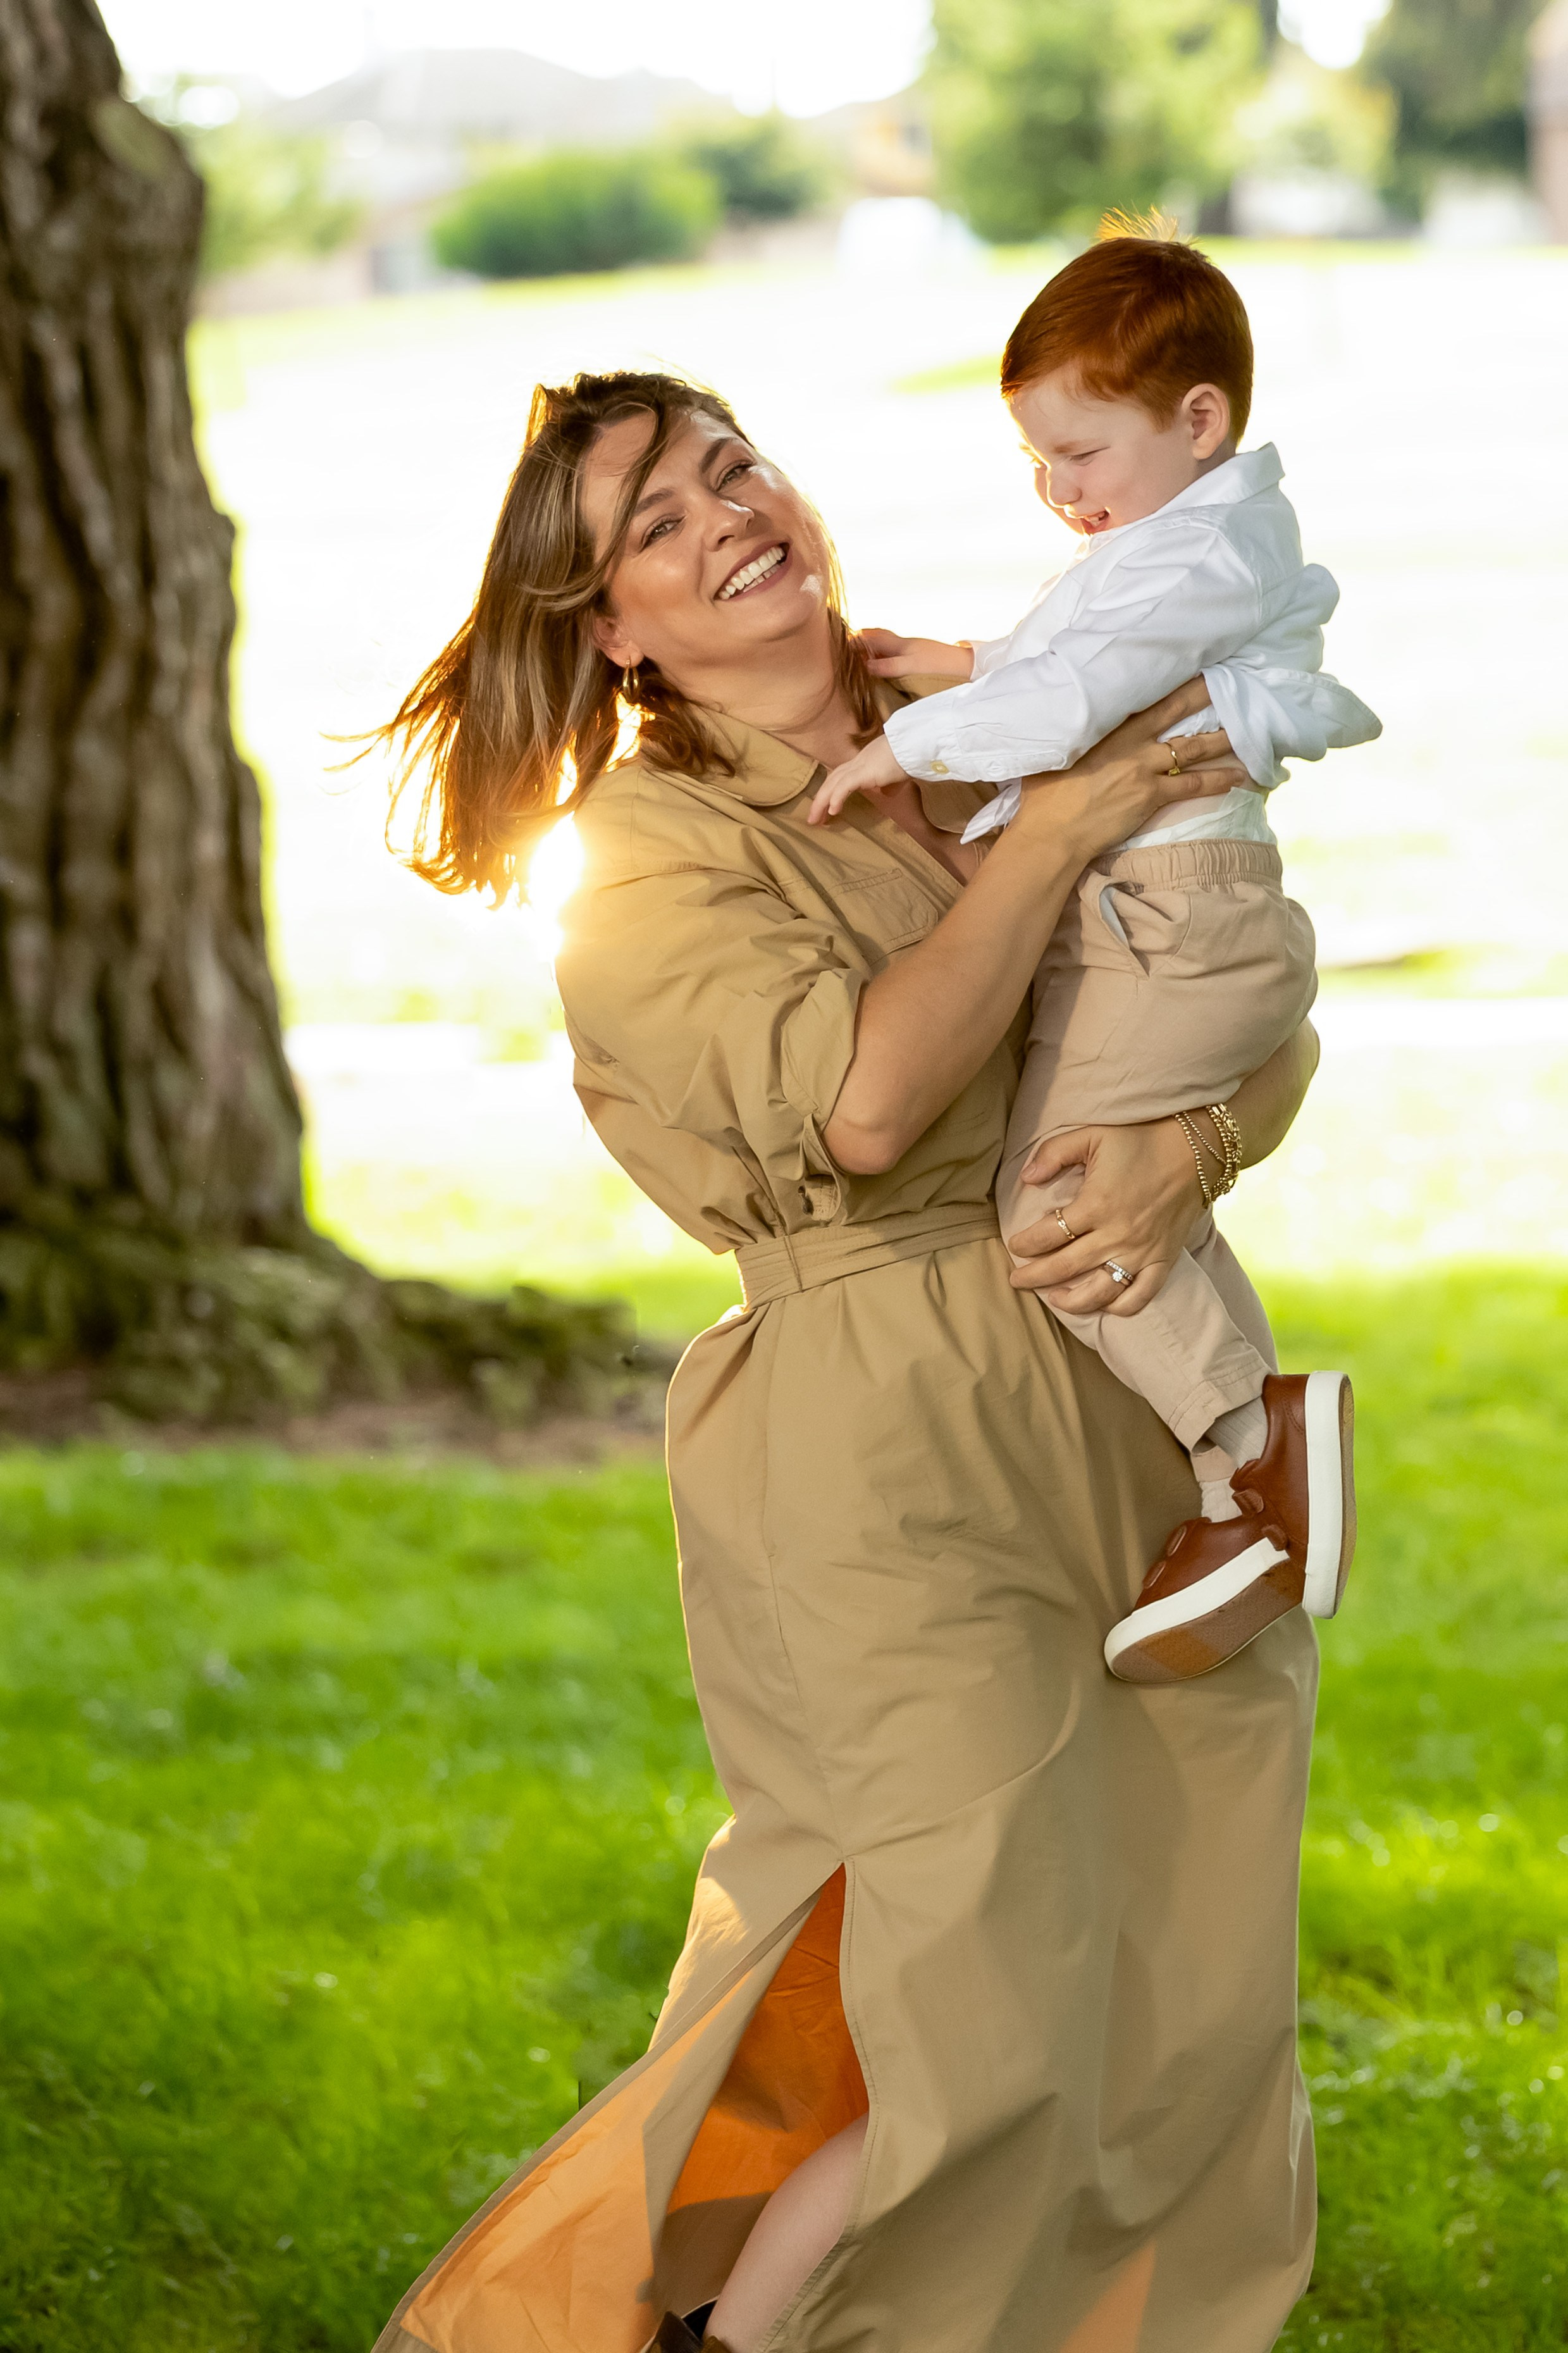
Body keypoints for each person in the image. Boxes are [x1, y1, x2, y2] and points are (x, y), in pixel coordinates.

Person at [369, 369, 1325, 2353]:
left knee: (1161, 1988)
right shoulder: (643, 858)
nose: (732, 514)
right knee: (961, 2008)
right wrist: (1053, 832)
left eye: (738, 467)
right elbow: (876, 1106)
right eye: (657, 522)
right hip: (880, 1442)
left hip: (1119, 1397)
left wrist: (1187, 1142)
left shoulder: (976, 729)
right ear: (612, 627)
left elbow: (1237, 973)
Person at [812, 216, 1377, 1686]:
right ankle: (1240, 1489)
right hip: (1160, 912)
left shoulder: (1191, 555)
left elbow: (1076, 704)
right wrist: (954, 663)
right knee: (1088, 1185)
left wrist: (902, 750)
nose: (1061, 496)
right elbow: (1081, 651)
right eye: (1037, 467)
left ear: (1199, 422)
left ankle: (1251, 1461)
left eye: (1081, 457)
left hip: (1172, 913)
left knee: (1055, 1204)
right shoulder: (1183, 536)